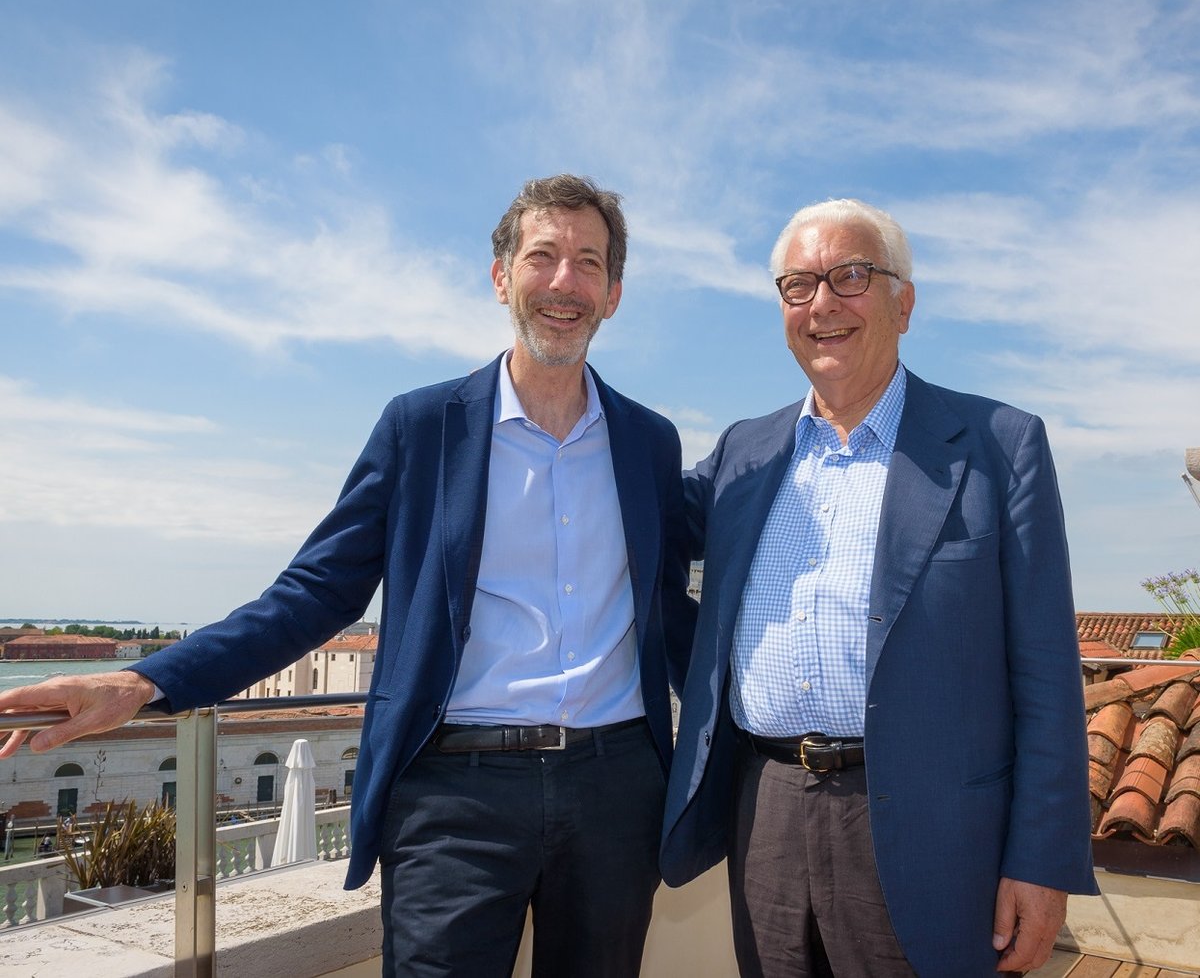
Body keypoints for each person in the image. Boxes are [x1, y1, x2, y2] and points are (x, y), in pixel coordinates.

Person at [0, 174, 696, 978]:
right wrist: (147, 682)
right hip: (454, 795)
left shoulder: (650, 443)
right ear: (502, 277)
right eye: (543, 256)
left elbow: (674, 610)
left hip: (617, 793)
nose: (564, 282)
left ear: (613, 294)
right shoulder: (422, 428)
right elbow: (315, 593)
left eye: (588, 262)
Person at [659, 198, 1097, 976]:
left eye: (850, 276)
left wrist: (1041, 862)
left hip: (934, 835)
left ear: (905, 301)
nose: (822, 303)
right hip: (765, 815)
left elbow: (1046, 678)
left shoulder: (1000, 447)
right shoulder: (742, 453)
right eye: (798, 285)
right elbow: (633, 536)